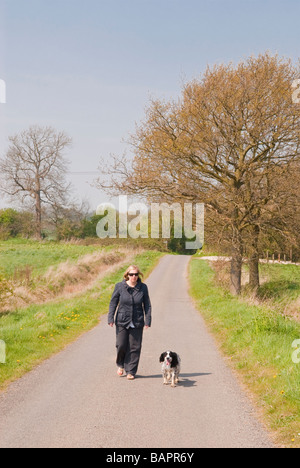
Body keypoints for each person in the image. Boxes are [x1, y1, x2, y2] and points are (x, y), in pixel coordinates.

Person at [108, 265, 152, 380]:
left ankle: (131, 371)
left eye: (136, 274)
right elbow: (113, 302)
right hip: (122, 320)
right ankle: (120, 365)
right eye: (131, 274)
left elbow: (147, 305)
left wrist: (148, 320)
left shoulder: (143, 287)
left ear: (139, 275)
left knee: (135, 347)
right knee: (121, 344)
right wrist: (110, 318)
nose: (134, 277)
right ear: (127, 275)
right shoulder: (119, 286)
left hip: (137, 321)